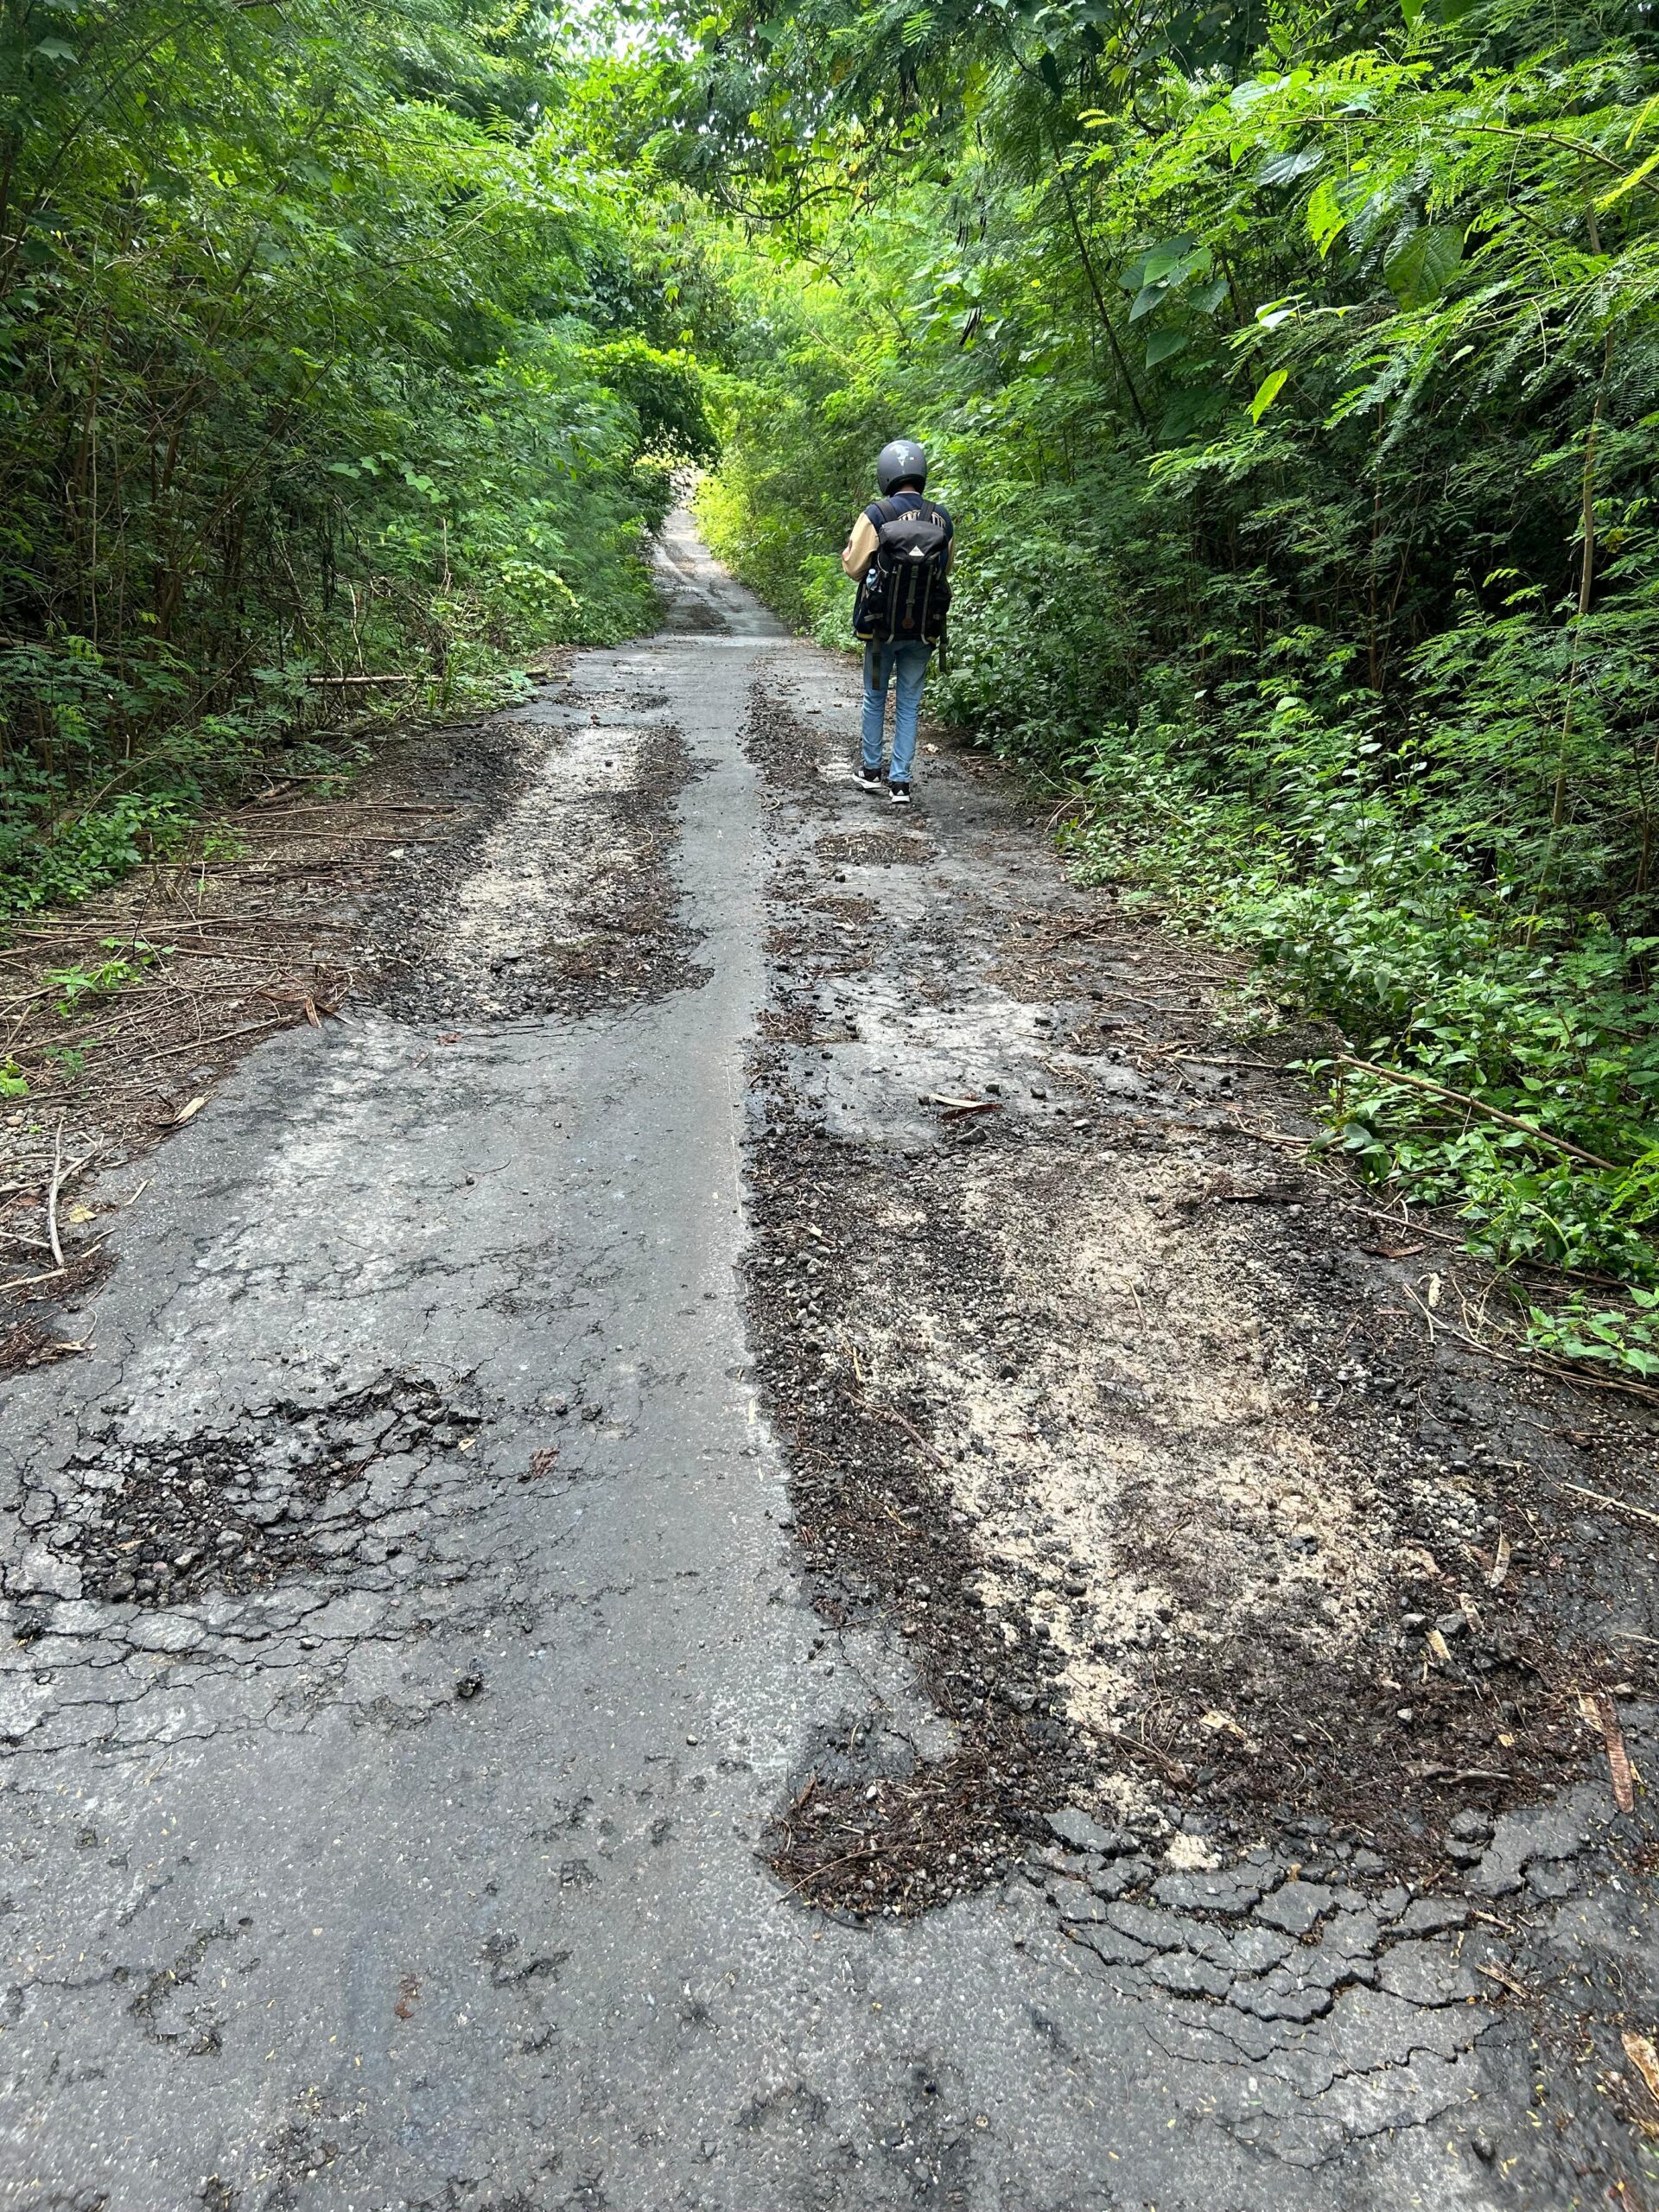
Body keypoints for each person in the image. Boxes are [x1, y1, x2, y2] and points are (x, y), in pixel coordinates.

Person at [842, 438, 954, 806]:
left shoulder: (876, 515)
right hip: (922, 629)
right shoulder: (941, 518)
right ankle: (901, 783)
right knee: (909, 703)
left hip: (878, 628)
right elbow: (943, 571)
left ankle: (871, 770)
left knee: (875, 698)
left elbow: (855, 568)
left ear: (885, 474)